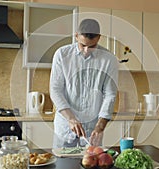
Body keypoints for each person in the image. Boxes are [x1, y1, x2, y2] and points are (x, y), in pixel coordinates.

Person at [50, 19, 118, 148]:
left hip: (92, 131)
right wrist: (71, 119)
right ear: (76, 36)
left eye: (91, 46)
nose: (86, 50)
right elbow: (55, 89)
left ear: (99, 38)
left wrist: (100, 126)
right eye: (82, 45)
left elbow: (110, 94)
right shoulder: (62, 55)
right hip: (65, 128)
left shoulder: (109, 59)